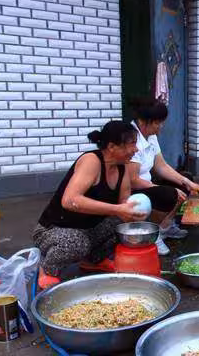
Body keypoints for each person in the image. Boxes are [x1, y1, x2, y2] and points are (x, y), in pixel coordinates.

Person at [33, 121, 147, 289]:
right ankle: (47, 268)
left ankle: (93, 261)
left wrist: (133, 212)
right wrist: (117, 209)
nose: (136, 149)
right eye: (132, 144)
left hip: (87, 229)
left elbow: (124, 203)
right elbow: (70, 200)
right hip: (53, 229)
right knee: (77, 243)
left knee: (123, 225)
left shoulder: (122, 168)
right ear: (112, 146)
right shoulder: (92, 161)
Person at [127, 98, 199, 255]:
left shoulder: (151, 136)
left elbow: (161, 166)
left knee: (184, 181)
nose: (160, 127)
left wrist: (187, 182)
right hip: (132, 190)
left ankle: (165, 227)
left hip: (147, 183)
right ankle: (153, 234)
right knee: (168, 194)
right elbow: (133, 181)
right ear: (143, 121)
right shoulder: (131, 139)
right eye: (157, 123)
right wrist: (161, 188)